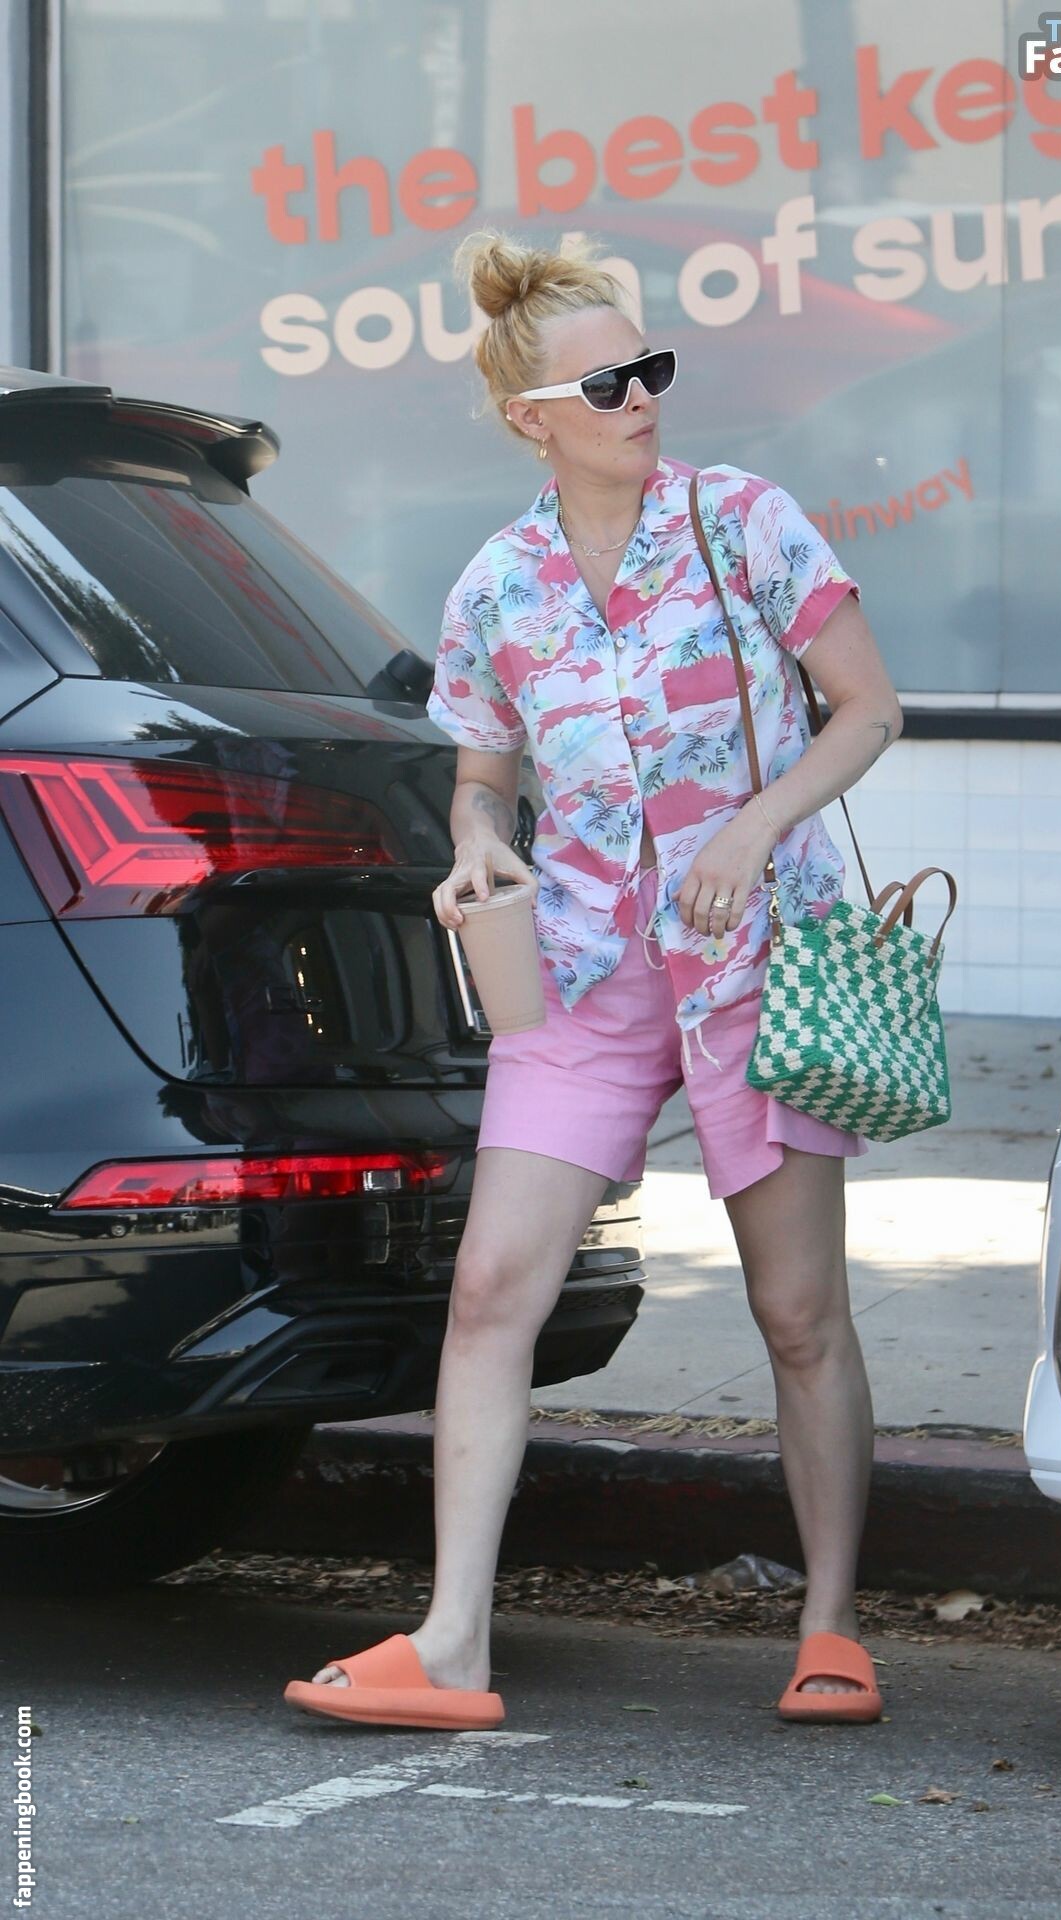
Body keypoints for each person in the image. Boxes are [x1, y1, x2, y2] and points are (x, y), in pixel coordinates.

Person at [283, 229, 905, 1730]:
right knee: (492, 1287)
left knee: (798, 1308)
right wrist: (477, 847)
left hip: (759, 958)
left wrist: (753, 827)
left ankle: (831, 1629)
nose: (645, 398)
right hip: (578, 969)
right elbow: (482, 776)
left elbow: (868, 710)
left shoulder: (745, 523)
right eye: (610, 381)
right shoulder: (498, 586)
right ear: (532, 418)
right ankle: (452, 1645)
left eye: (652, 367)